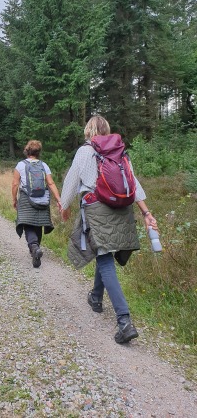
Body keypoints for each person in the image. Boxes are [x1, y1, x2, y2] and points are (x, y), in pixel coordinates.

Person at [60, 115, 159, 344]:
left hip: (96, 208)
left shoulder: (85, 151)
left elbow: (71, 181)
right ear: (106, 131)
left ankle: (124, 321)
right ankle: (96, 297)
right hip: (122, 209)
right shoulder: (120, 152)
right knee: (104, 252)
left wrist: (64, 206)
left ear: (88, 131)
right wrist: (146, 213)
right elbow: (133, 182)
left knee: (104, 258)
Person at [12, 140, 62, 268]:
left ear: (27, 151)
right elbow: (50, 183)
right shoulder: (44, 165)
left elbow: (15, 184)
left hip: (26, 198)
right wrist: (58, 200)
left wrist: (14, 199)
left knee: (27, 224)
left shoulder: (20, 165)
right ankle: (36, 248)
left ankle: (34, 247)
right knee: (38, 224)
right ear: (39, 152)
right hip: (42, 199)